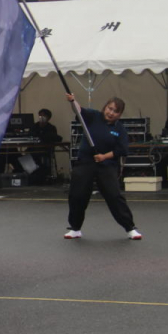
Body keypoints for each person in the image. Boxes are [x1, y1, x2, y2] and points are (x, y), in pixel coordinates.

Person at [63, 93, 143, 241]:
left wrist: (104, 156)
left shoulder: (120, 129)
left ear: (119, 114)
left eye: (115, 111)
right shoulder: (93, 116)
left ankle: (130, 228)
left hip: (106, 165)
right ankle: (75, 228)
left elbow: (122, 150)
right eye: (109, 108)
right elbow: (78, 110)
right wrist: (73, 100)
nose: (111, 113)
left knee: (114, 196)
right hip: (85, 162)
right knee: (77, 195)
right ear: (105, 107)